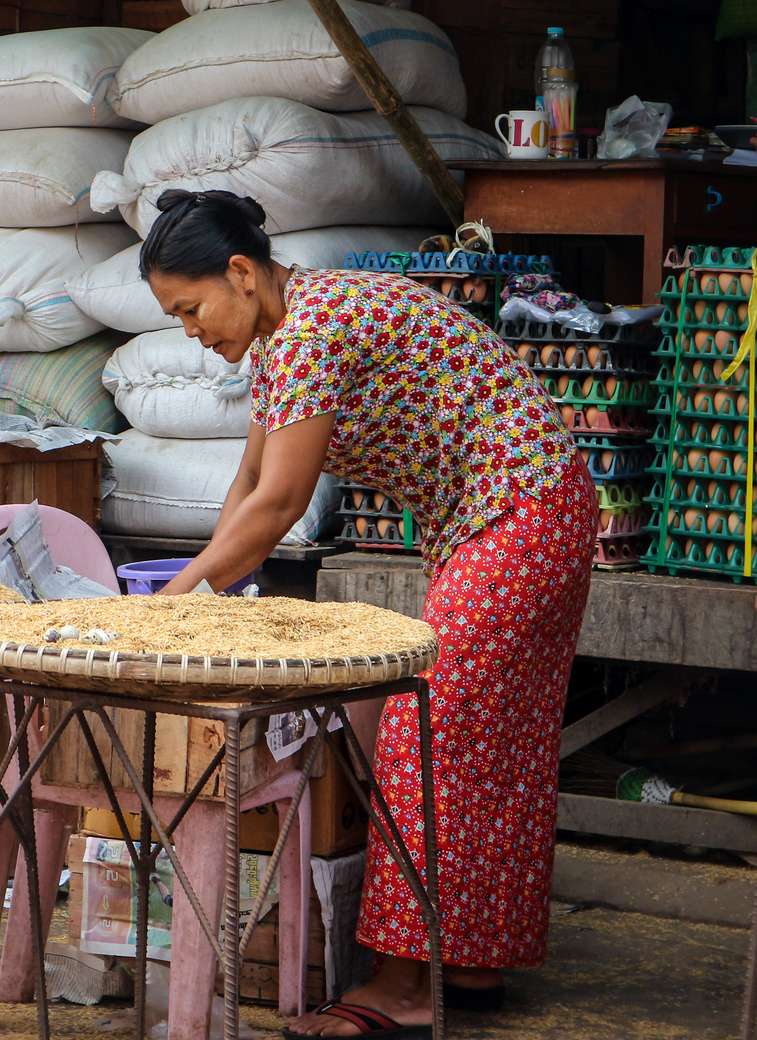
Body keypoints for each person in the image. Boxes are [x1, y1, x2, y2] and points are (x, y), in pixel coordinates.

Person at [148, 190, 596, 1039]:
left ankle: (402, 985)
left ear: (241, 274)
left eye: (190, 308)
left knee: (428, 736)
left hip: (518, 513)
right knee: (491, 743)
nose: (190, 331)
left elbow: (279, 502)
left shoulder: (315, 330)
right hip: (519, 511)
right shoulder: (287, 336)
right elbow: (247, 487)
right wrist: (203, 589)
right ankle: (465, 963)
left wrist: (177, 605)